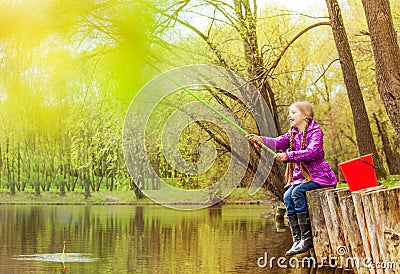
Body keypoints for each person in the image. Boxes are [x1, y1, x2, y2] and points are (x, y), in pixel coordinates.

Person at [247, 101, 337, 256]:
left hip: (319, 176)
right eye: (290, 112)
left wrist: (289, 155)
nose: (290, 115)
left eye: (294, 112)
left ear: (305, 115)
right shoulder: (292, 135)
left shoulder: (315, 132)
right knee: (287, 196)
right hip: (302, 178)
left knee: (297, 193)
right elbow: (276, 142)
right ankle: (297, 239)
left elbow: (311, 152)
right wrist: (260, 140)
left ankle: (307, 239)